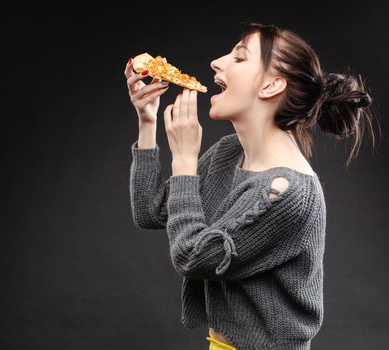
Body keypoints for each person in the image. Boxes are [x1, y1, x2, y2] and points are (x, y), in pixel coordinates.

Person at [125, 21, 376, 350]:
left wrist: (184, 162)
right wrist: (147, 120)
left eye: (239, 58)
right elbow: (151, 210)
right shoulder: (230, 153)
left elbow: (192, 256)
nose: (217, 62)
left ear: (272, 85)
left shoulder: (288, 192)